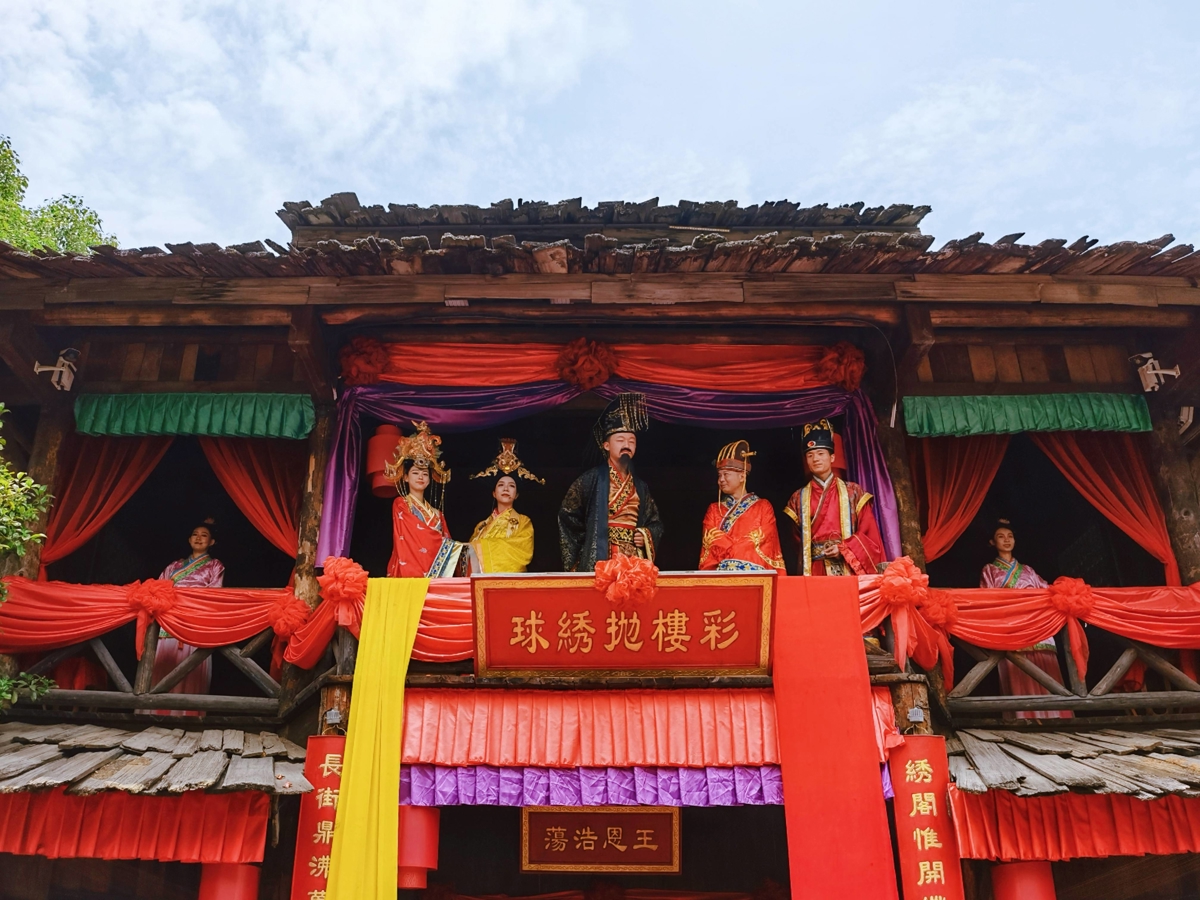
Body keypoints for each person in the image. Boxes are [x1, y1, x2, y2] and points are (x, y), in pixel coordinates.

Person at [559, 393, 664, 572]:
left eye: (631, 441)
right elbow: (568, 515)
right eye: (620, 440)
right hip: (602, 556)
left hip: (634, 557)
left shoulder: (640, 486)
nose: (627, 445)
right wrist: (589, 540)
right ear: (606, 445)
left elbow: (655, 522)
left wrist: (646, 535)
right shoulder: (590, 479)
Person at [981, 519, 1071, 720]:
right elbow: (987, 599)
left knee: (1046, 672)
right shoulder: (989, 570)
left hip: (1037, 626)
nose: (1006, 540)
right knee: (1018, 671)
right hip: (1011, 627)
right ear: (992, 542)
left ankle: (1056, 717)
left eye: (1010, 536)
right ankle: (1025, 719)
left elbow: (1047, 591)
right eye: (1000, 537)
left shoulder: (1028, 570)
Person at [784, 419, 884, 575]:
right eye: (810, 455)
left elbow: (868, 533)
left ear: (832, 458)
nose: (815, 459)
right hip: (814, 569)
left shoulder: (853, 492)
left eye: (820, 453)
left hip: (848, 565)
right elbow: (795, 543)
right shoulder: (797, 498)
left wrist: (844, 548)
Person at [152, 520, 224, 715]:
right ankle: (157, 713)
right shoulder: (174, 565)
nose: (198, 538)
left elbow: (214, 594)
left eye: (204, 535)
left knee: (189, 669)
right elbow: (158, 588)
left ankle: (185, 715)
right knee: (164, 667)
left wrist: (188, 602)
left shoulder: (214, 565)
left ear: (212, 542)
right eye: (195, 534)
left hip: (193, 620)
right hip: (169, 620)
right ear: (188, 539)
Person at [384, 421, 464, 578]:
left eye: (425, 474)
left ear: (430, 479)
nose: (421, 477)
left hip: (437, 571)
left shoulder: (437, 513)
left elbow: (447, 543)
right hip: (411, 570)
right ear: (406, 477)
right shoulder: (401, 504)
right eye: (415, 473)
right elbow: (409, 538)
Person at [698, 439, 786, 574]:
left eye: (726, 474)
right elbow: (713, 540)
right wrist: (733, 555)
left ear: (742, 476)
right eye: (719, 475)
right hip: (721, 575)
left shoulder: (763, 507)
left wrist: (735, 553)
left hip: (754, 575)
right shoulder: (714, 510)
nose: (721, 479)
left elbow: (764, 539)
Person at [468, 438, 541, 573]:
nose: (506, 489)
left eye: (511, 486)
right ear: (494, 493)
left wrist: (479, 547)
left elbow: (522, 553)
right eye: (501, 485)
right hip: (482, 582)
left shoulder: (523, 522)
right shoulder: (481, 526)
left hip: (511, 582)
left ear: (516, 494)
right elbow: (469, 558)